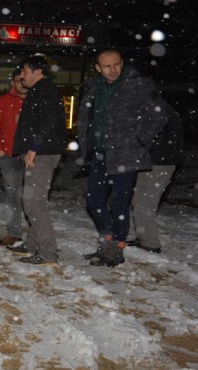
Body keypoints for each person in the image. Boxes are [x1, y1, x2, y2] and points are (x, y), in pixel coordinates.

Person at [77, 48, 167, 267]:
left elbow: (159, 115)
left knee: (119, 202)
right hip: (99, 154)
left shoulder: (138, 86)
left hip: (125, 155)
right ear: (98, 68)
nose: (112, 70)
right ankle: (106, 240)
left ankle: (117, 248)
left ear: (122, 63)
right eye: (107, 66)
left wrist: (138, 142)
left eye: (116, 64)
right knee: (94, 201)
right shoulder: (94, 88)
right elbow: (87, 119)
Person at [7, 55, 67, 266]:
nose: (22, 75)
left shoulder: (46, 90)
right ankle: (32, 243)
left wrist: (35, 146)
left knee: (33, 203)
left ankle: (48, 253)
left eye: (24, 71)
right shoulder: (41, 90)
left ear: (37, 71)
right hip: (39, 151)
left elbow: (49, 119)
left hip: (42, 152)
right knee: (34, 199)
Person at [129, 101, 184, 254]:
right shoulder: (161, 108)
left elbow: (148, 139)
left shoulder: (155, 110)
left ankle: (150, 243)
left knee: (144, 203)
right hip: (159, 162)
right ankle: (144, 237)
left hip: (157, 163)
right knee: (141, 202)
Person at [0, 67, 28, 247]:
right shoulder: (3, 101)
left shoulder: (36, 100)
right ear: (13, 82)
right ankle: (14, 232)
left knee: (33, 196)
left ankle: (36, 233)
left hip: (32, 155)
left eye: (24, 79)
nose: (22, 83)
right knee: (12, 195)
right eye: (18, 80)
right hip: (9, 155)